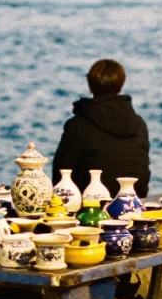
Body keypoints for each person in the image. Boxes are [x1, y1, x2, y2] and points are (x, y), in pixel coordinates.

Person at [52, 58, 151, 199]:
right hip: (135, 197)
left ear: (90, 86)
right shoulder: (139, 123)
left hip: (91, 202)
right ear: (120, 85)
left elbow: (60, 175)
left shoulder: (77, 125)